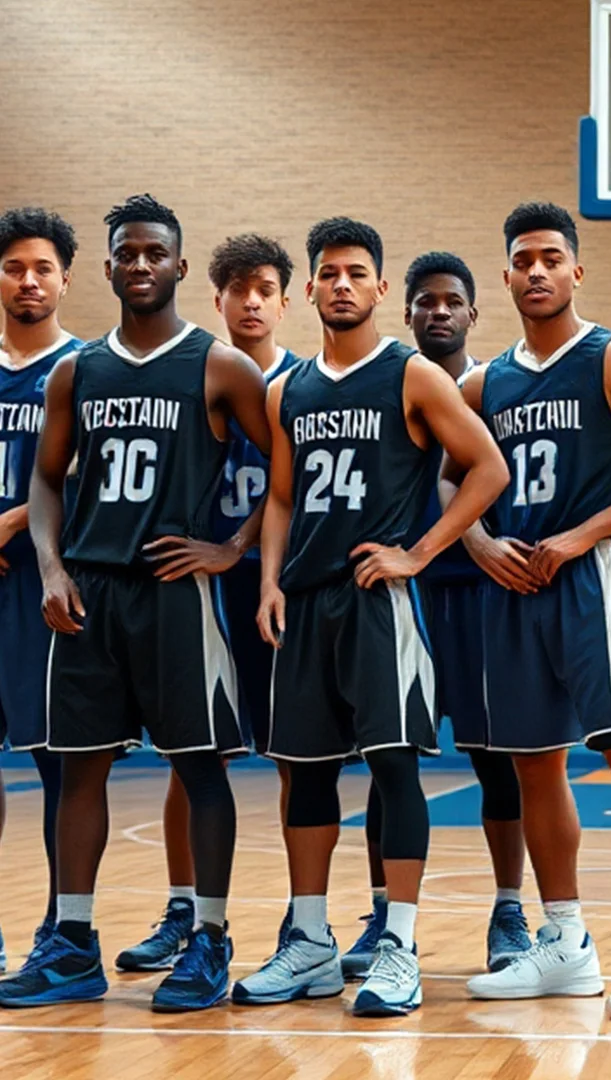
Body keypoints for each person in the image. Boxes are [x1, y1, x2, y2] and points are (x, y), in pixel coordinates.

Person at [2, 194, 271, 1012]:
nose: (142, 264)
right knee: (79, 771)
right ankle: (72, 943)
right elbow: (47, 479)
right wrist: (50, 566)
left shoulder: (220, 365)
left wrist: (233, 547)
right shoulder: (75, 371)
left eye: (156, 252)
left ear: (181, 266)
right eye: (128, 252)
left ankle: (210, 941)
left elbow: (288, 464)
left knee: (198, 767)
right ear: (111, 266)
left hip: (176, 595)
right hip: (89, 593)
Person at [235, 217, 507, 1016]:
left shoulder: (414, 375)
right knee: (309, 775)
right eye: (330, 273)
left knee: (394, 768)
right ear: (311, 288)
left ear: (381, 289)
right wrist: (269, 582)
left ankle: (399, 945)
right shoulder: (288, 389)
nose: (343, 284)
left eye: (358, 273)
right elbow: (281, 494)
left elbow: (486, 467)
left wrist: (419, 554)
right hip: (306, 601)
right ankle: (311, 942)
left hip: (378, 602)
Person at [453, 202, 611, 1016]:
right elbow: (445, 480)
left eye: (551, 258)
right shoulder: (480, 383)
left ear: (576, 270)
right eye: (523, 259)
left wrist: (578, 535)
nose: (537, 270)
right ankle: (564, 942)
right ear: (505, 276)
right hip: (513, 584)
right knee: (534, 762)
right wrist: (480, 545)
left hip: (594, 576)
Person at [339, 251, 531, 981]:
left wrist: (472, 541)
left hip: (477, 597)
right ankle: (386, 915)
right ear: (407, 310)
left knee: (495, 761)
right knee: (390, 765)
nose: (439, 311)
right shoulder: (380, 386)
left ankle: (510, 908)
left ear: (474, 315)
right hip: (395, 598)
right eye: (425, 301)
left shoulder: (493, 390)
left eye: (452, 301)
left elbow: (486, 483)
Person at [118, 233, 305, 974]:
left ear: (285, 301)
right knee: (189, 755)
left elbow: (287, 479)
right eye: (238, 289)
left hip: (279, 584)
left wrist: (238, 545)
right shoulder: (191, 371)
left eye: (265, 288)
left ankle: (304, 916)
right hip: (197, 586)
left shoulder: (301, 384)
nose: (251, 301)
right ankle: (184, 908)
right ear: (216, 297)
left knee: (297, 755)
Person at [0, 207, 84, 968]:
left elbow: (82, 475)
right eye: (14, 267)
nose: (29, 280)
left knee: (58, 765)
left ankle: (62, 926)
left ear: (66, 278)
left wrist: (12, 525)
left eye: (42, 268)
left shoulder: (83, 368)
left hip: (43, 588)